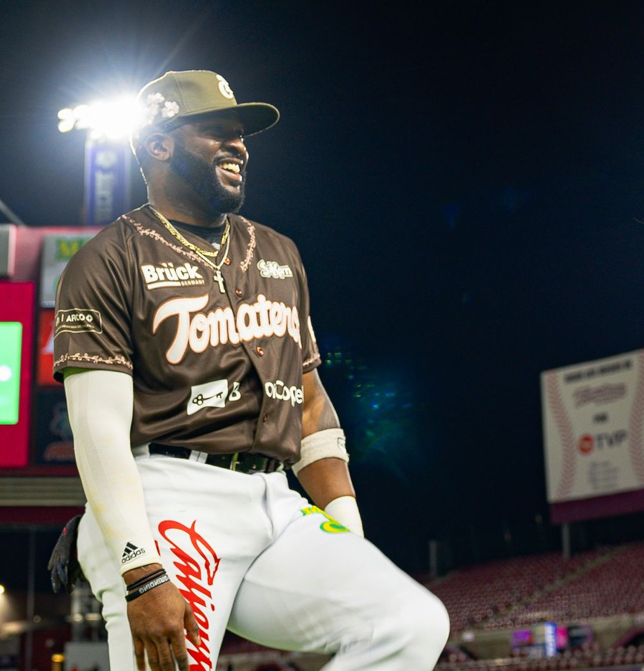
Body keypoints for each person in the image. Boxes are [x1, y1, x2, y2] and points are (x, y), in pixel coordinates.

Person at [52, 70, 449, 671]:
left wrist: (348, 534)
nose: (239, 145)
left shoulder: (280, 253)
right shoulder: (106, 259)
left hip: (276, 500)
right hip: (168, 499)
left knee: (409, 624)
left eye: (241, 134)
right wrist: (136, 566)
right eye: (216, 131)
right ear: (159, 143)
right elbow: (99, 429)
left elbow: (309, 403)